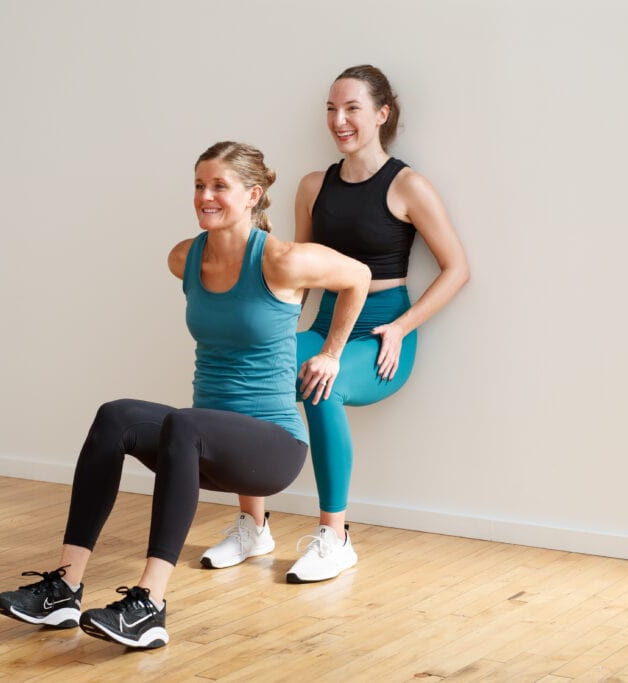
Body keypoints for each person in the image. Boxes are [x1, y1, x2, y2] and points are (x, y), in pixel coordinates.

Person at [0, 141, 371, 649]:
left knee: (185, 422)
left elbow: (359, 277)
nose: (204, 196)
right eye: (198, 185)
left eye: (219, 186)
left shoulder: (282, 261)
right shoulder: (185, 258)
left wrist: (332, 353)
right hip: (200, 445)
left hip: (272, 447)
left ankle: (149, 604)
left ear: (253, 195)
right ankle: (65, 586)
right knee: (115, 415)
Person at [201, 65, 470, 583]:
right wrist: (271, 330)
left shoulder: (408, 186)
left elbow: (457, 269)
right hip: (325, 325)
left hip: (380, 336)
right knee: (252, 373)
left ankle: (336, 537)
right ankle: (253, 527)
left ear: (381, 115)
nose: (338, 120)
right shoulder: (312, 185)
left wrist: (401, 328)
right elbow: (298, 275)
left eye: (352, 109)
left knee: (322, 385)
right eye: (331, 108)